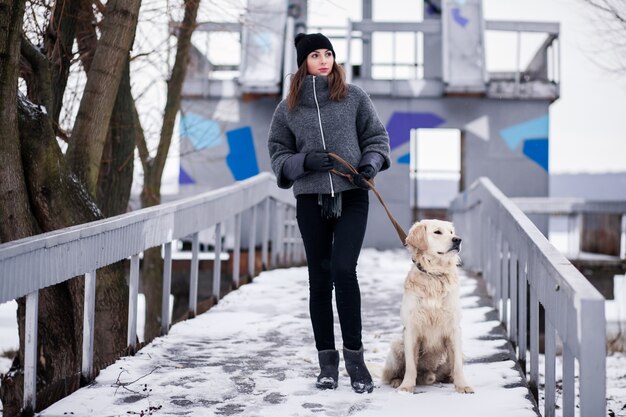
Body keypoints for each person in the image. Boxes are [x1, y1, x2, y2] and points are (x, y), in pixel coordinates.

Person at [267, 32, 391, 394]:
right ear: (303, 63)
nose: (323, 60)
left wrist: (369, 165)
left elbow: (376, 139)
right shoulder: (287, 108)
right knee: (319, 281)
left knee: (343, 269)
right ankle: (327, 365)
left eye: (328, 54)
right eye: (315, 55)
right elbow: (277, 152)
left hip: (352, 194)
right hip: (311, 199)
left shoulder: (354, 97)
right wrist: (302, 162)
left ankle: (356, 360)